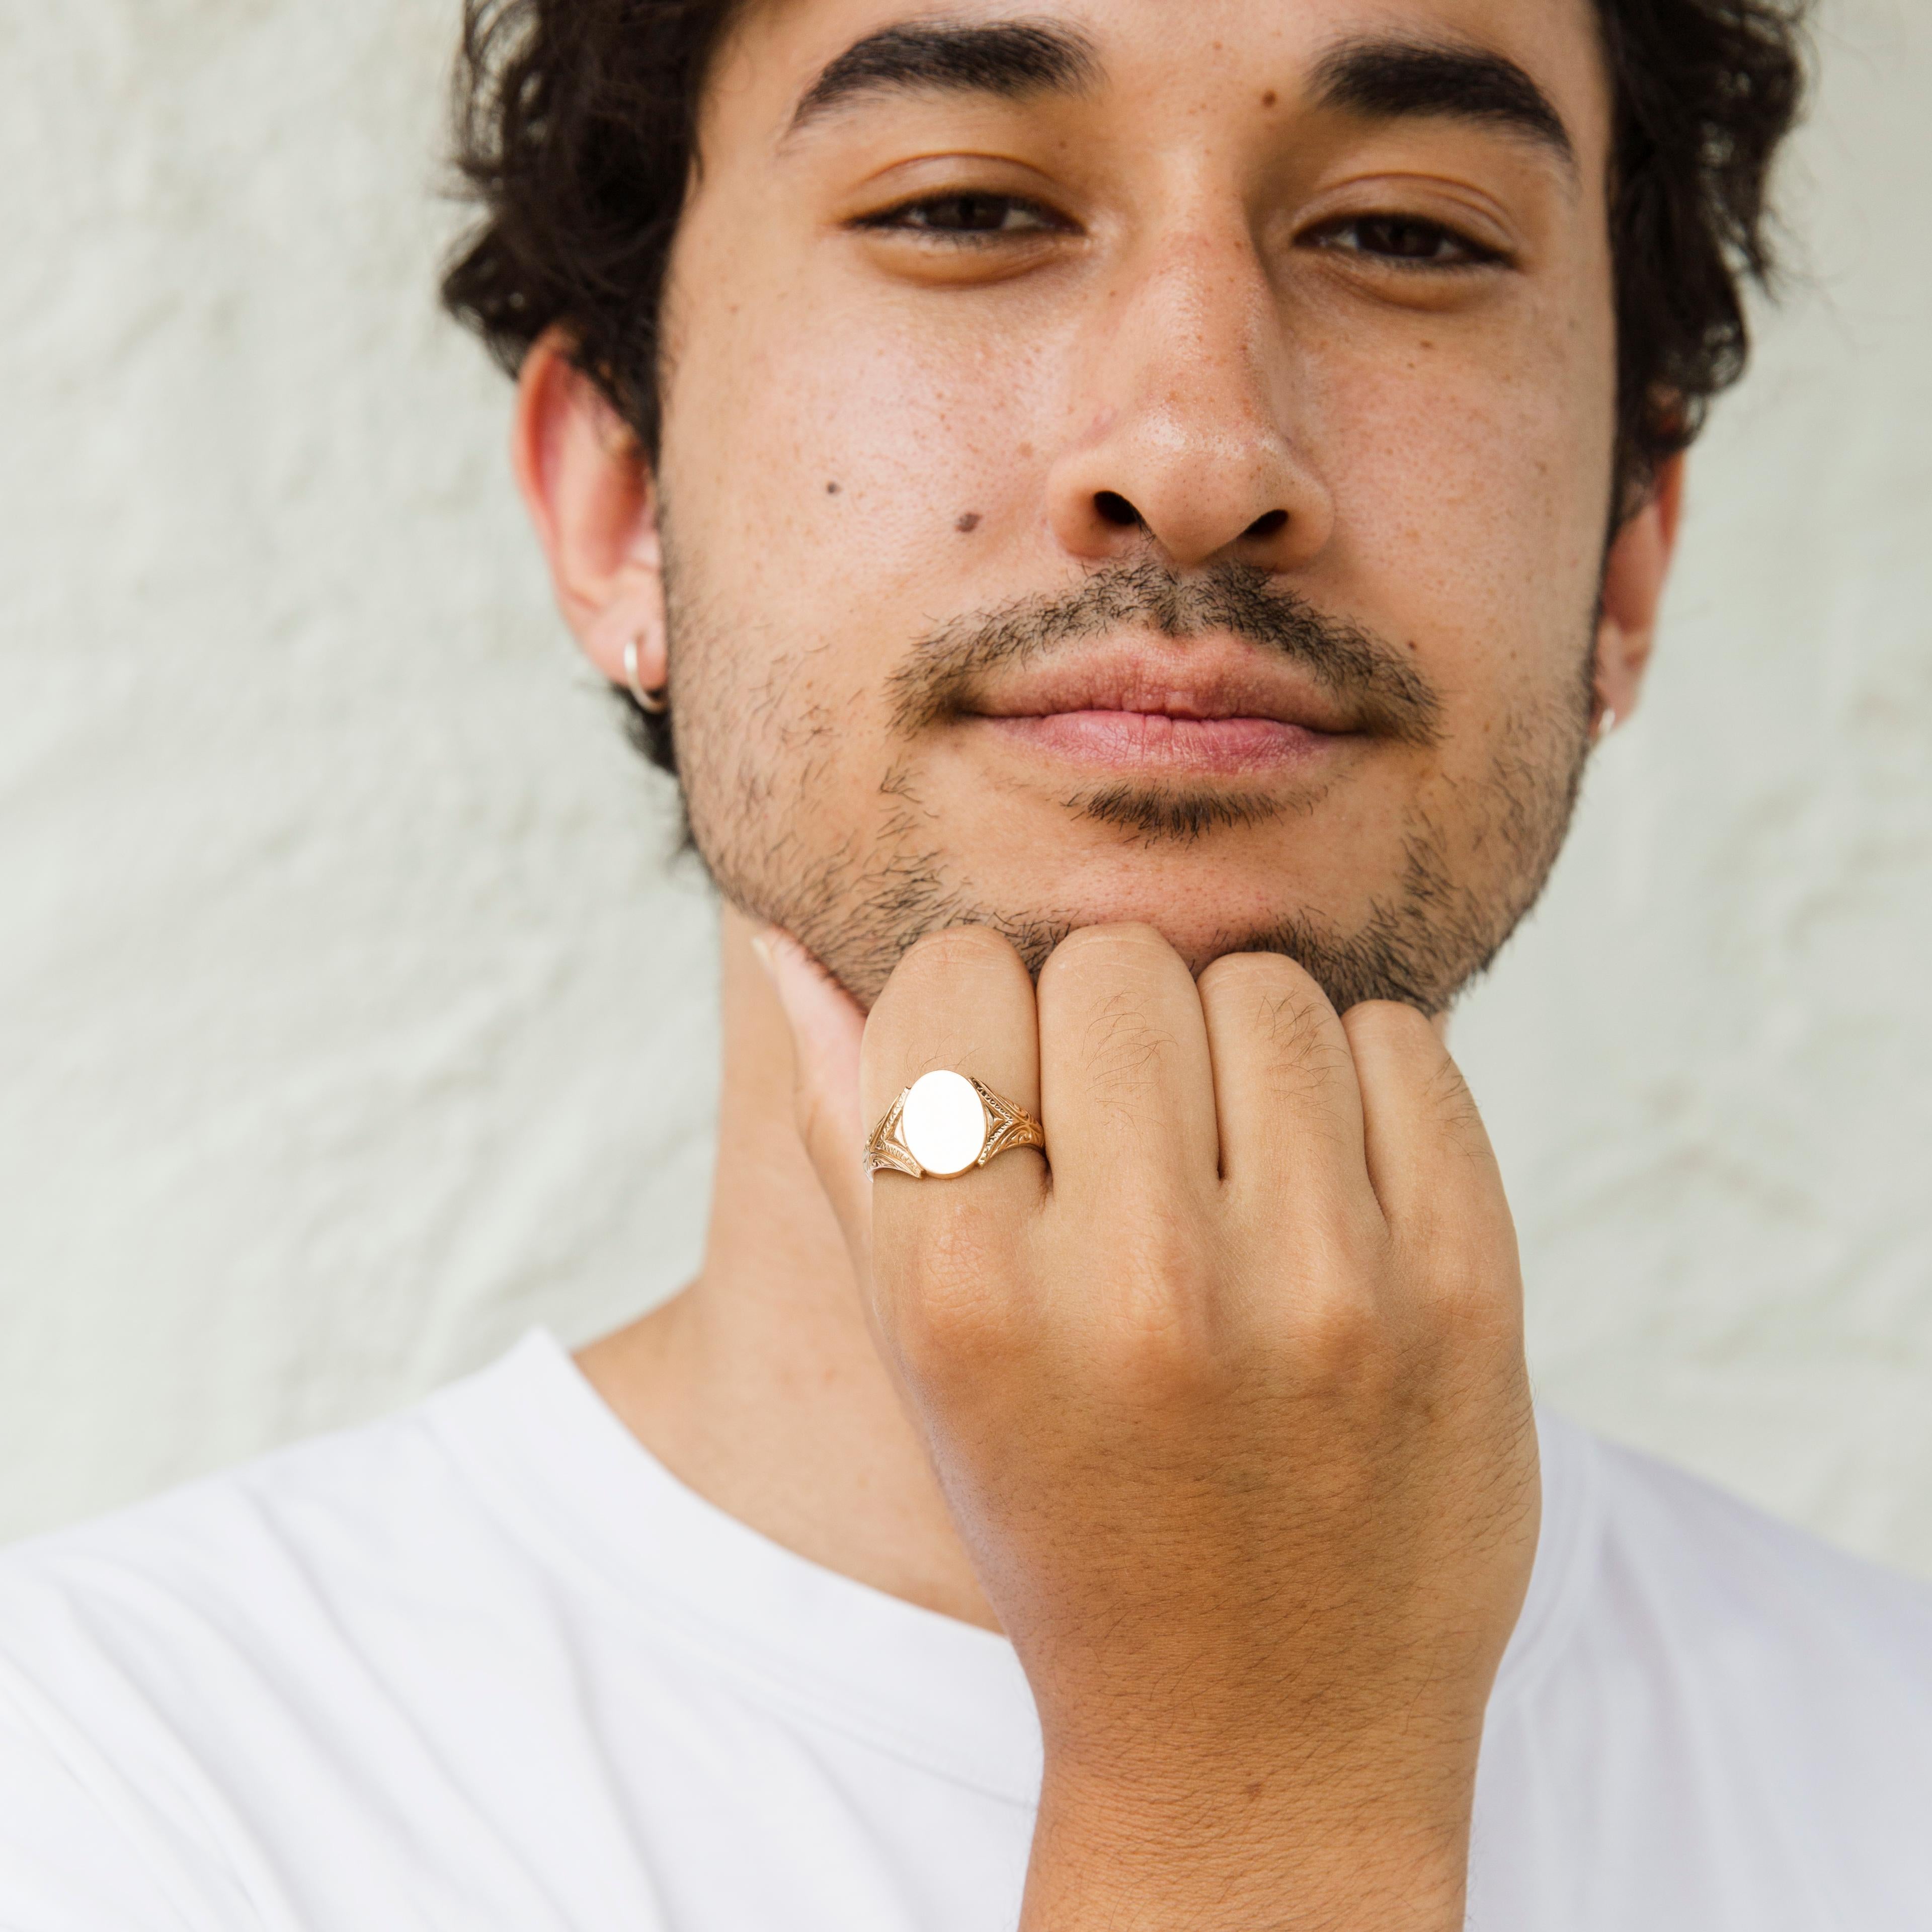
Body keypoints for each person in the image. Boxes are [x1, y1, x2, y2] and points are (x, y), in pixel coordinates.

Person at [4, 0, 1928, 1926]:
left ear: (1626, 559)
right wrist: (1250, 1797)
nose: (1194, 453)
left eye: (1405, 235)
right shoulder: (100, 1788)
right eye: (966, 207)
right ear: (622, 505)